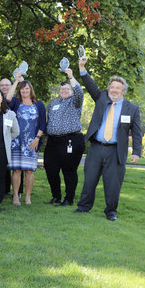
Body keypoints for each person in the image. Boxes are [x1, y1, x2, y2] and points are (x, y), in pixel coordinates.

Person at [75, 56, 142, 221]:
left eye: (117, 88)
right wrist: (82, 68)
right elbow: (90, 85)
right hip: (97, 148)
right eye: (112, 87)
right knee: (89, 180)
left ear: (123, 91)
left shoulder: (132, 109)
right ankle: (84, 207)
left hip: (115, 151)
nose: (114, 90)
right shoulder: (101, 98)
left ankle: (111, 211)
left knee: (113, 184)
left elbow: (137, 132)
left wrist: (137, 152)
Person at [44, 68, 85, 206]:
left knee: (69, 171)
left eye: (67, 89)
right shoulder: (54, 103)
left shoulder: (75, 101)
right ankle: (56, 196)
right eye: (62, 89)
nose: (64, 91)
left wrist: (71, 76)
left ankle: (69, 199)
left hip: (70, 140)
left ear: (72, 90)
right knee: (50, 169)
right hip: (53, 141)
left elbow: (80, 92)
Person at [6, 72, 46, 205]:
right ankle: (16, 197)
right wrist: (16, 81)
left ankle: (28, 197)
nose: (24, 90)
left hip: (31, 142)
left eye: (27, 88)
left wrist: (37, 138)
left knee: (29, 170)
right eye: (22, 88)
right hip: (16, 142)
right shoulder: (15, 103)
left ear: (31, 90)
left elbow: (42, 124)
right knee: (16, 169)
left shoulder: (39, 104)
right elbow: (7, 99)